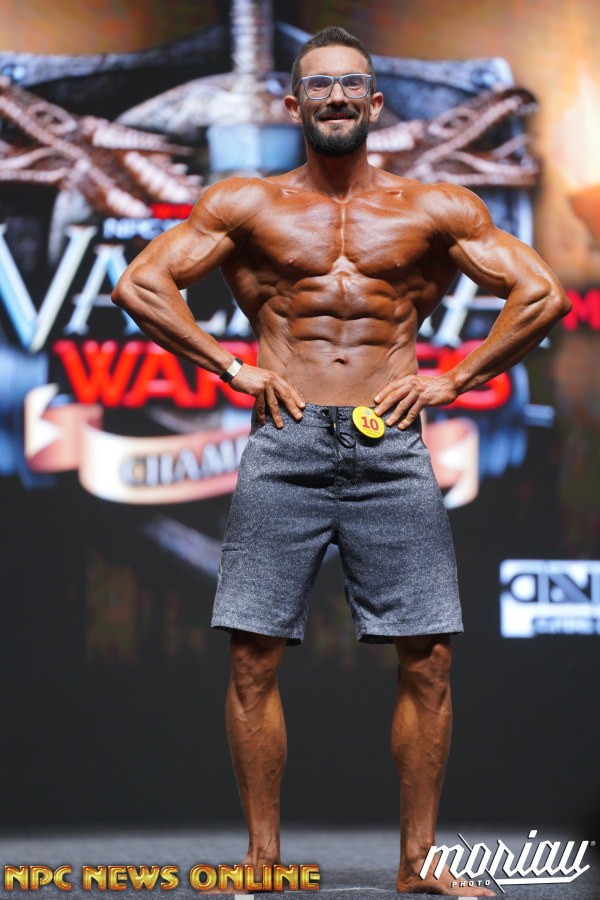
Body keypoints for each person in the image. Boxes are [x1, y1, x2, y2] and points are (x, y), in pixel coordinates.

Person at [112, 26, 570, 896]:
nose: (334, 97)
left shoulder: (434, 207)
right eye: (318, 86)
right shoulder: (247, 204)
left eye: (350, 85)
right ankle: (262, 861)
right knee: (253, 656)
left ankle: (419, 862)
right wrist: (230, 367)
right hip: (283, 440)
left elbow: (541, 292)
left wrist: (457, 378)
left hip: (388, 443)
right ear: (293, 104)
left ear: (374, 103)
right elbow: (140, 283)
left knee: (428, 657)